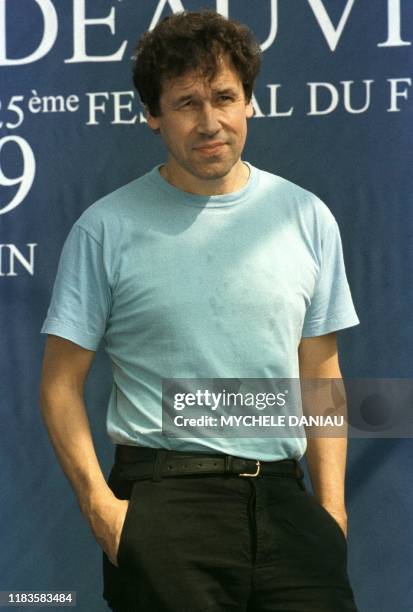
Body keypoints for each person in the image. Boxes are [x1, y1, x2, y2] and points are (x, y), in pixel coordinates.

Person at [39, 10, 360, 612]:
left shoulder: (307, 217)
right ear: (153, 116)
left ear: (249, 104)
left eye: (224, 97)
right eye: (186, 103)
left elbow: (321, 376)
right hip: (163, 507)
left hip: (290, 510)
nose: (210, 122)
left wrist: (332, 513)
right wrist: (101, 509)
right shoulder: (105, 229)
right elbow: (59, 386)